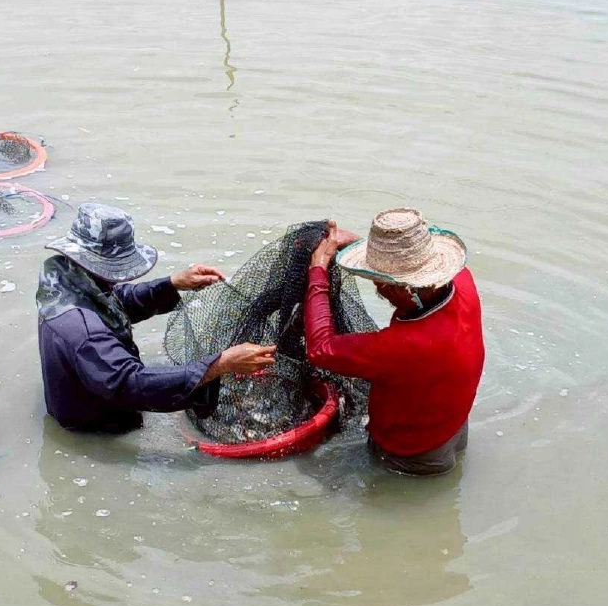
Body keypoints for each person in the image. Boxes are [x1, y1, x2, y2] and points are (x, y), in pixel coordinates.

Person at [37, 203, 276, 433]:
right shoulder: (85, 331)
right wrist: (221, 364)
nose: (117, 278)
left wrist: (173, 284)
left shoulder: (64, 280)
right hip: (96, 429)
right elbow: (130, 384)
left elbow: (115, 301)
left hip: (75, 401)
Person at [305, 209, 485, 476]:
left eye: (380, 282)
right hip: (454, 427)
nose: (378, 287)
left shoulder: (403, 345)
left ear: (403, 289)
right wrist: (358, 245)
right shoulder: (462, 280)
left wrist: (317, 271)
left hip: (413, 456)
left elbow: (320, 349)